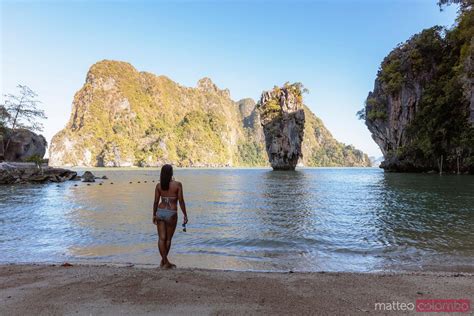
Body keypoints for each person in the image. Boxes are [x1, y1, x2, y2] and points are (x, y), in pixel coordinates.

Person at [153, 164, 188, 269]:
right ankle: (165, 262)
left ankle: (164, 261)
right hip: (171, 213)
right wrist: (185, 214)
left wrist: (154, 214)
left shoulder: (159, 186)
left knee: (161, 239)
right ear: (171, 173)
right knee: (168, 239)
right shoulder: (178, 185)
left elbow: (155, 202)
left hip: (160, 212)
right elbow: (181, 201)